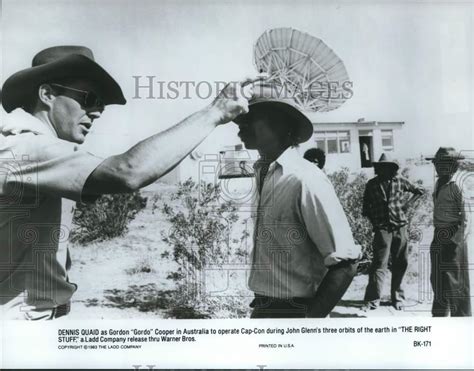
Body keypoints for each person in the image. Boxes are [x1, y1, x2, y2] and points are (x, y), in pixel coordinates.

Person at [0, 45, 258, 320]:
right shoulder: (25, 148)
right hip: (20, 324)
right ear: (47, 94)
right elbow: (128, 171)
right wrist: (214, 112)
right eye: (89, 99)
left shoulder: (37, 151)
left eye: (100, 104)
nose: (97, 112)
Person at [234, 82, 360, 318]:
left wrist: (307, 324)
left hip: (295, 312)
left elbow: (345, 264)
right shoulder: (264, 173)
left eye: (250, 117)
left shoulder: (305, 179)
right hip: (263, 309)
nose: (240, 125)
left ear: (280, 124)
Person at [362, 153, 424, 311]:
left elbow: (419, 191)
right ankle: (372, 300)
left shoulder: (400, 181)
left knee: (400, 263)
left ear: (392, 169)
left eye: (388, 167)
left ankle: (397, 298)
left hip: (400, 227)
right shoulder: (372, 184)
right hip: (382, 229)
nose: (384, 170)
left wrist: (406, 206)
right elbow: (365, 208)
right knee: (379, 264)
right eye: (381, 167)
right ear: (378, 168)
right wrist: (375, 222)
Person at [426, 147, 471, 317]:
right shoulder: (439, 183)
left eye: (443, 163)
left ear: (453, 166)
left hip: (454, 236)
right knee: (437, 278)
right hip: (439, 234)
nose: (438, 167)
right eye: (437, 163)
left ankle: (461, 320)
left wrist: (457, 241)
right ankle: (439, 316)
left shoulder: (457, 185)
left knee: (455, 281)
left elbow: (467, 217)